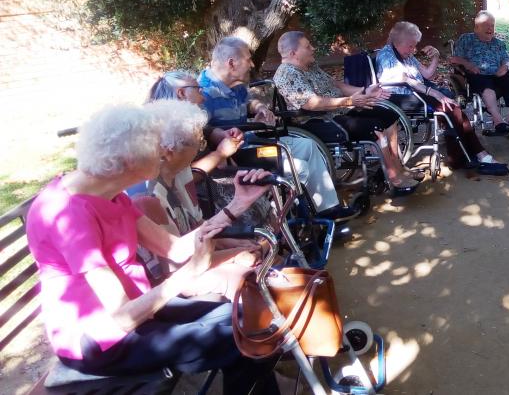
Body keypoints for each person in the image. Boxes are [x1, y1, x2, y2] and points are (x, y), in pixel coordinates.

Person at [26, 104, 280, 394]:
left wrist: (237, 204)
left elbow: (175, 249)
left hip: (140, 311)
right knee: (243, 343)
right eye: (156, 145)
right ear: (128, 160)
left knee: (249, 321)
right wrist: (189, 274)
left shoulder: (109, 194)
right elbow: (121, 317)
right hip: (100, 338)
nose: (164, 150)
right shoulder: (69, 215)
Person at [198, 37, 356, 220]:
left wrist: (260, 108)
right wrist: (219, 135)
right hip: (235, 155)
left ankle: (328, 210)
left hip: (250, 142)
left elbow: (248, 101)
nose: (252, 65)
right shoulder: (203, 93)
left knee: (309, 146)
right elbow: (202, 130)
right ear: (231, 64)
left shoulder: (235, 84)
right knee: (299, 168)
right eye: (248, 59)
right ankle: (298, 220)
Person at [127, 100, 260, 298]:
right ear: (169, 151)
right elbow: (176, 265)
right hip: (166, 285)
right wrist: (233, 255)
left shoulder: (180, 174)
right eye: (199, 142)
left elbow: (195, 230)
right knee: (246, 278)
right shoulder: (148, 196)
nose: (199, 148)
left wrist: (228, 243)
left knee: (259, 256)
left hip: (193, 263)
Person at [273, 31, 420, 194]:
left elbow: (336, 85)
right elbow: (312, 104)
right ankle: (394, 177)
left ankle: (399, 167)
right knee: (375, 127)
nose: (313, 48)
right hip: (317, 120)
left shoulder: (310, 66)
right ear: (293, 53)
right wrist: (349, 101)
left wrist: (364, 91)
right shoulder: (287, 74)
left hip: (339, 110)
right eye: (308, 46)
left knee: (389, 116)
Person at [377, 21, 508, 176]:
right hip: (401, 98)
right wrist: (434, 93)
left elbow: (427, 75)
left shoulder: (406, 55)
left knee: (454, 109)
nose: (413, 49)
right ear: (398, 42)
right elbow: (404, 79)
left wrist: (436, 57)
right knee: (450, 109)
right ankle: (469, 156)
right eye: (411, 46)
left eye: (414, 46)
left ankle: (472, 155)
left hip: (417, 94)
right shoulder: (387, 55)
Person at [449, 11, 509, 135]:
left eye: (492, 25)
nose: (490, 28)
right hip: (477, 75)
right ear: (476, 27)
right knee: (486, 85)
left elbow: (508, 59)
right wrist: (469, 65)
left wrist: (505, 66)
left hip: (498, 75)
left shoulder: (498, 43)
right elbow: (454, 59)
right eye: (486, 25)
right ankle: (498, 122)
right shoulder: (466, 39)